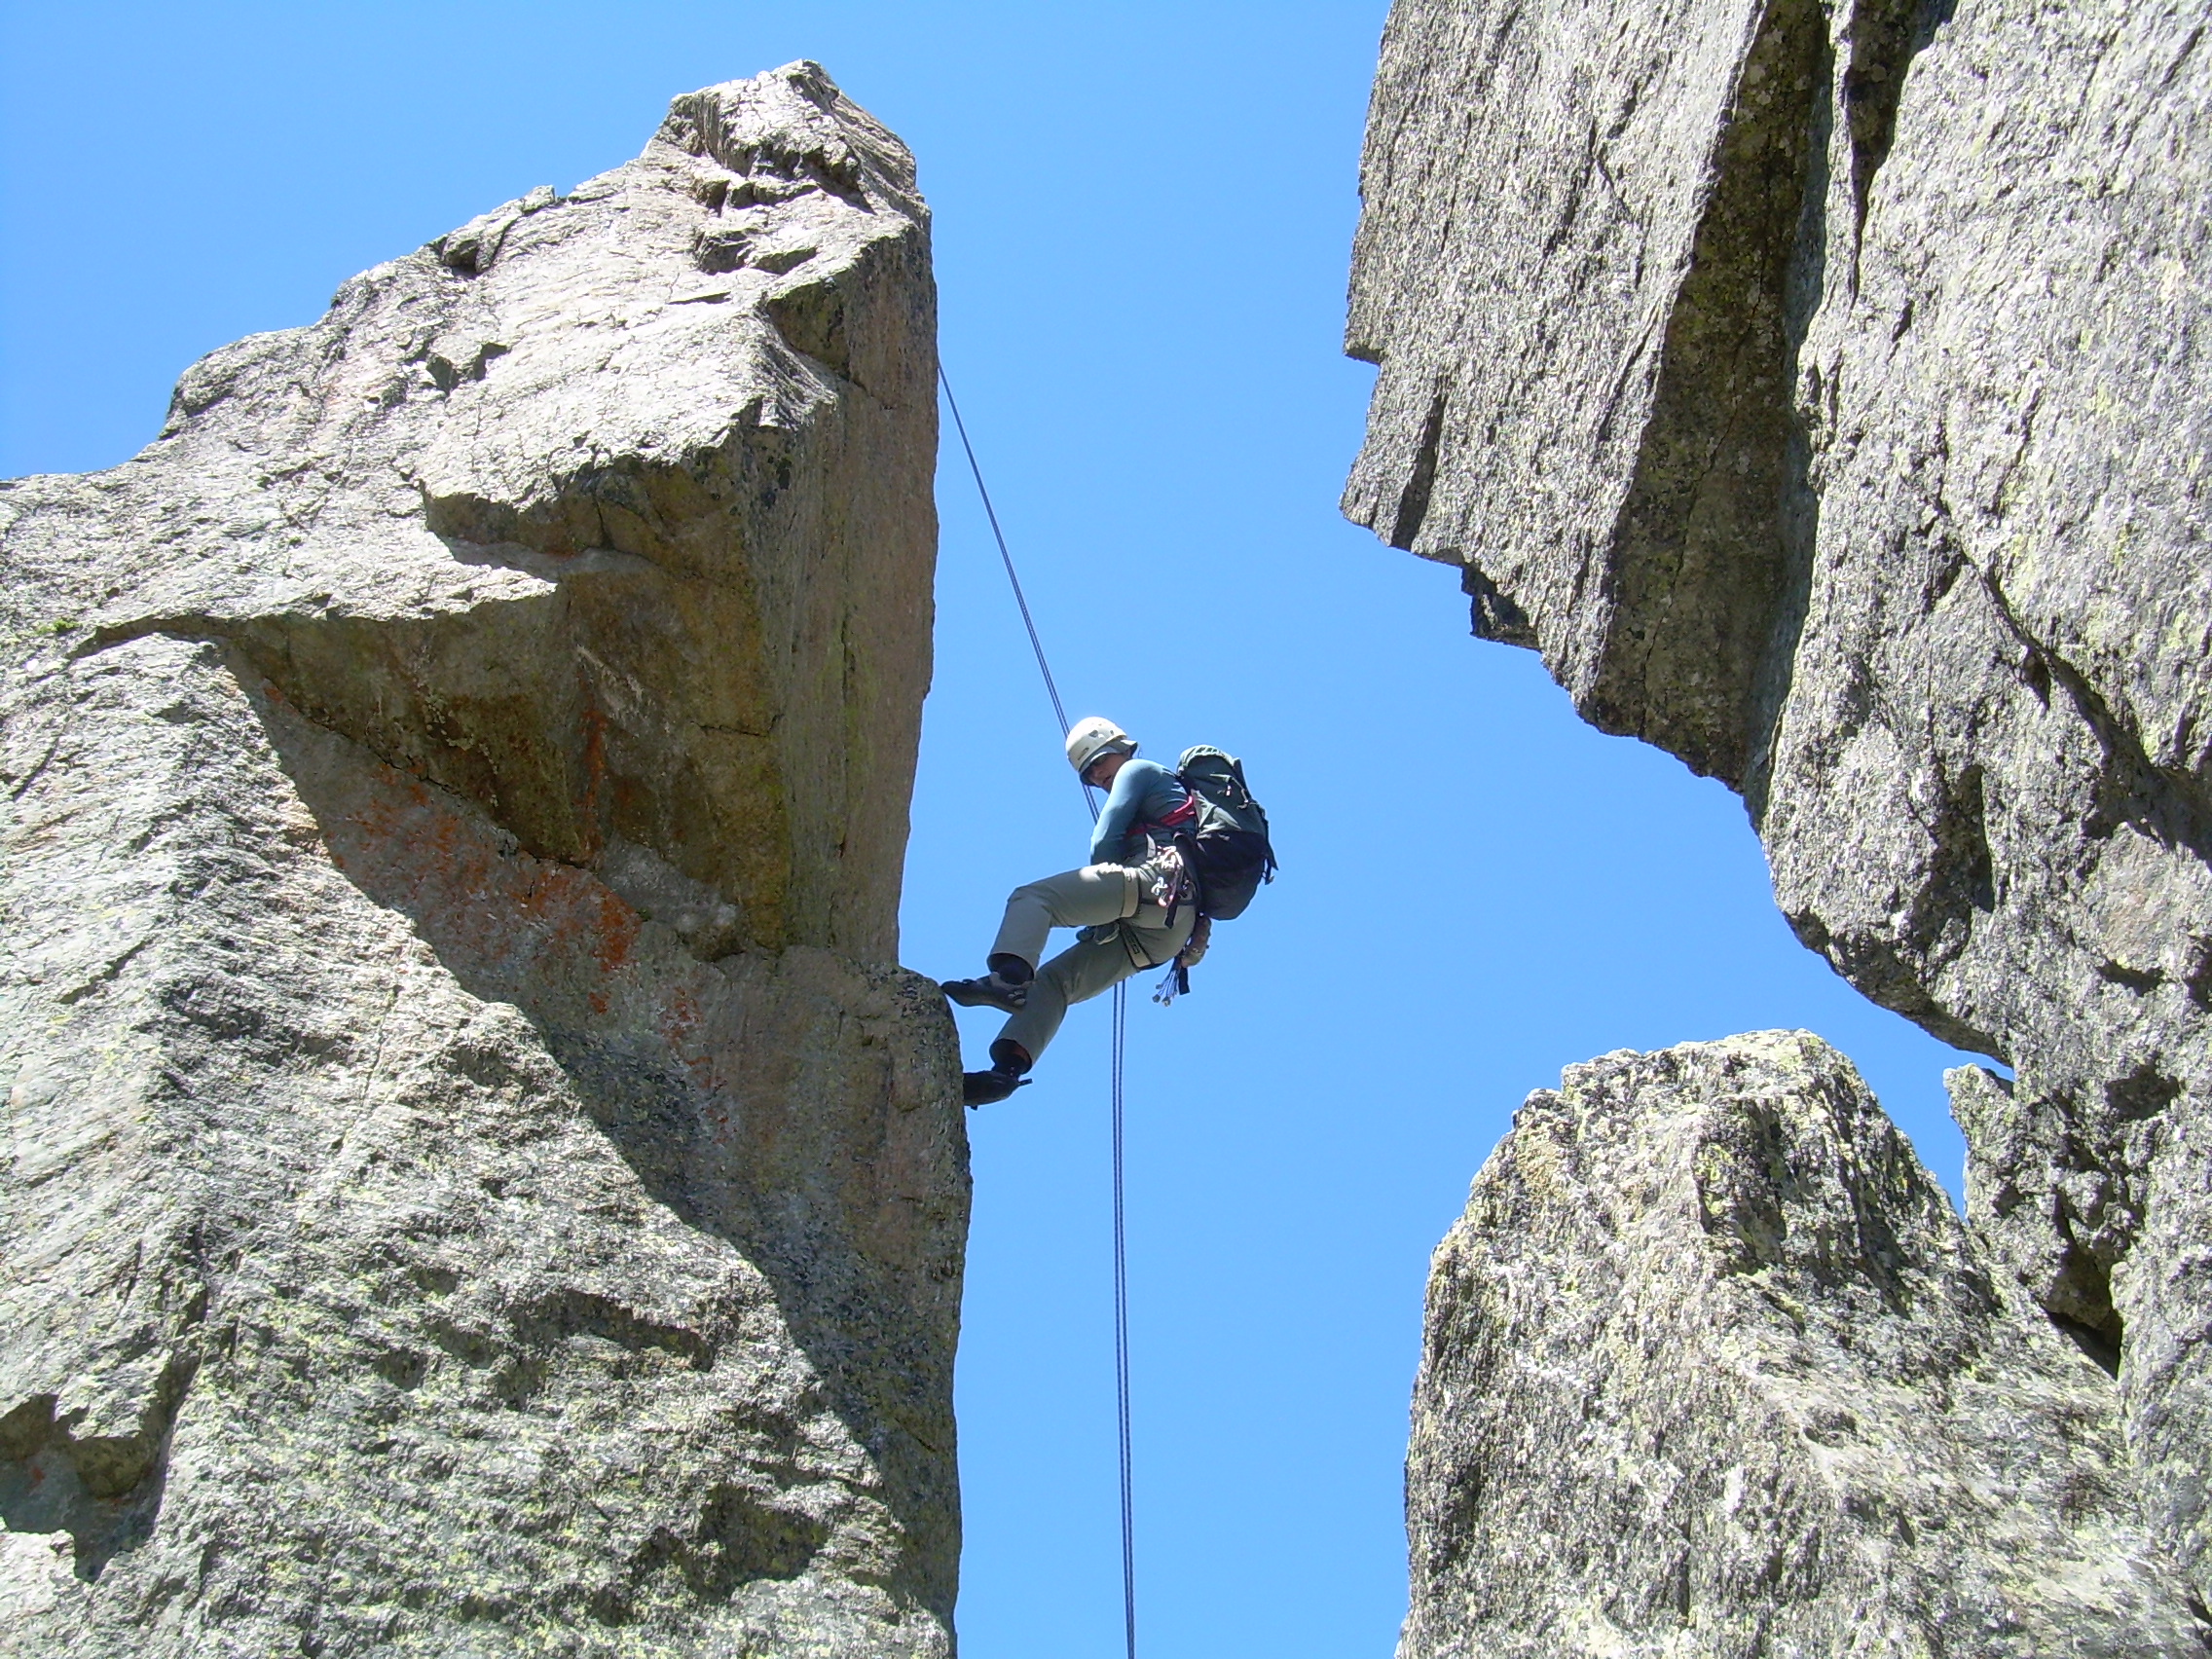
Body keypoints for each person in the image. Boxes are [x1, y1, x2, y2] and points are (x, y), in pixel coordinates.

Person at [940, 717, 1202, 1106]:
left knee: (1033, 899)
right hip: (1165, 933)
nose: (1098, 775)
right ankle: (1005, 1073)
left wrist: (1100, 913)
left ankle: (1007, 980)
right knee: (1055, 983)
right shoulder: (1178, 797)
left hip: (1154, 885)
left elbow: (1105, 839)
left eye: (1100, 761)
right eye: (1089, 772)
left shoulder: (1138, 769)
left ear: (1122, 748)